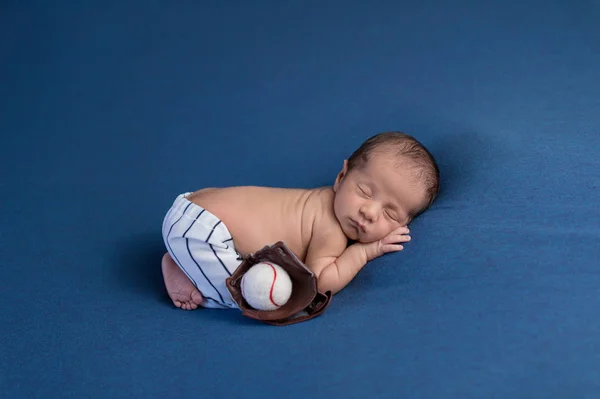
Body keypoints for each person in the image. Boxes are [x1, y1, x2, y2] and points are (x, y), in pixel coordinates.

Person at [161, 132, 440, 310]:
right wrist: (364, 251)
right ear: (341, 177)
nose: (370, 212)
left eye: (390, 213)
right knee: (253, 295)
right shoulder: (330, 225)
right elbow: (321, 282)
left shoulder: (319, 199)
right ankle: (187, 274)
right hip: (203, 230)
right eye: (364, 192)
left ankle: (182, 259)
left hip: (192, 209)